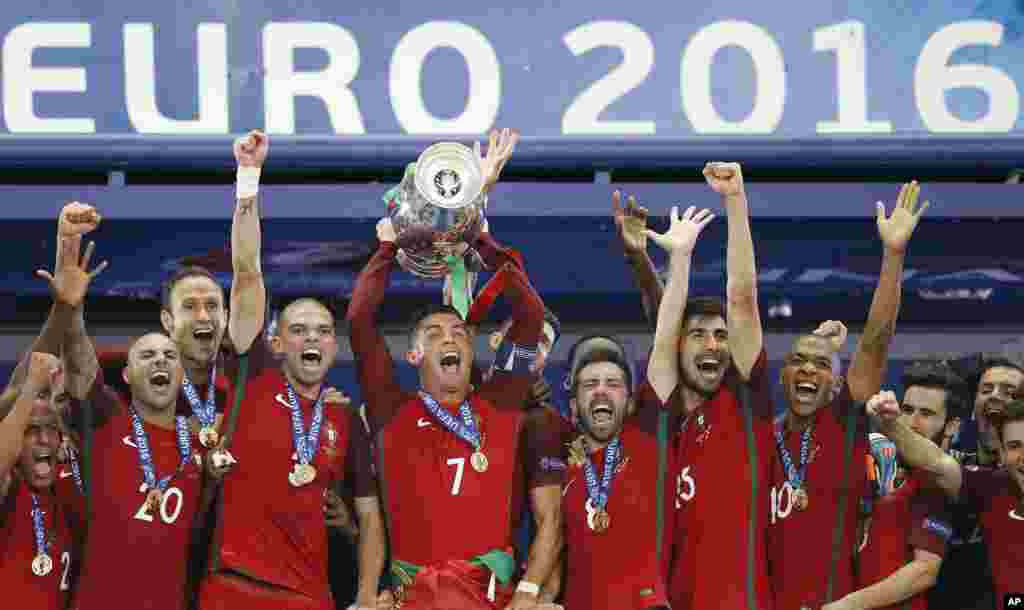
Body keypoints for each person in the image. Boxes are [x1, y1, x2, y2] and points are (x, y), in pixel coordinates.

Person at [347, 204, 563, 609]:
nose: (449, 339)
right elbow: (359, 319)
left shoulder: (500, 402)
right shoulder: (390, 410)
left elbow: (530, 315)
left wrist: (483, 239)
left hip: (489, 598)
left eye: (459, 332)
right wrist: (387, 248)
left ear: (470, 348)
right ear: (413, 355)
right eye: (433, 334)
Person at [769, 181, 929, 610]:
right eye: (798, 360)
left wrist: (894, 255)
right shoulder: (756, 440)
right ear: (782, 375)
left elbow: (876, 340)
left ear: (837, 386)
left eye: (821, 365)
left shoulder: (842, 425)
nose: (807, 369)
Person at [641, 162, 773, 610]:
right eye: (698, 335)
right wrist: (679, 261)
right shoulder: (660, 420)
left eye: (720, 336)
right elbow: (662, 341)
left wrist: (734, 201)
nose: (713, 345)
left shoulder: (745, 404)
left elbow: (742, 299)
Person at [199, 297, 386, 610]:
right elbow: (247, 276)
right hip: (235, 587)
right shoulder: (253, 380)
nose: (312, 337)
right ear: (277, 344)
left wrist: (365, 599)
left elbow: (369, 516)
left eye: (323, 330)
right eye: (299, 329)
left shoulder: (346, 418)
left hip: (309, 596)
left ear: (334, 348)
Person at [867, 390, 1024, 604]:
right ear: (1003, 454)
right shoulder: (993, 487)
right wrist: (889, 425)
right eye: (1015, 446)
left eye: (926, 413)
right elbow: (939, 463)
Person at [832, 362, 964, 610]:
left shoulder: (944, 481)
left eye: (926, 414)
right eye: (907, 409)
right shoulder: (879, 461)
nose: (912, 422)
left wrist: (846, 605)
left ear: (952, 426)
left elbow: (923, 572)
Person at [0, 352, 73, 610]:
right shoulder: (10, 492)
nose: (44, 439)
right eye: (31, 430)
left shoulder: (67, 492)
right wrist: (30, 387)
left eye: (51, 429)